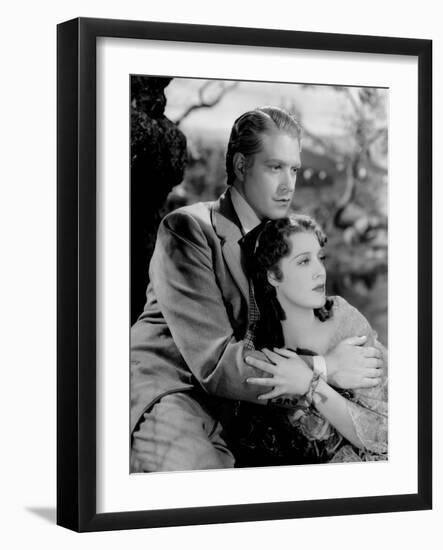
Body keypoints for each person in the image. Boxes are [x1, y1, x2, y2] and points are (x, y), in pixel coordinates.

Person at [130, 106, 383, 472]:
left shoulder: (283, 237)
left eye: (293, 169)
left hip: (245, 403)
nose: (289, 184)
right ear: (241, 165)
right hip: (174, 387)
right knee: (204, 479)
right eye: (274, 167)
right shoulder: (187, 230)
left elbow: (314, 313)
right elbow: (214, 363)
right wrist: (324, 368)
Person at [229, 215, 387, 465]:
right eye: (304, 261)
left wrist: (311, 385)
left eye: (320, 258)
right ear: (273, 275)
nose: (319, 272)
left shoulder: (343, 320)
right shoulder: (255, 349)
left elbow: (388, 436)